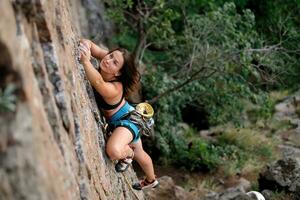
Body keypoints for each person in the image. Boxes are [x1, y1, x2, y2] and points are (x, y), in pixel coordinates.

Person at [78, 39, 159, 190]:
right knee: (140, 152)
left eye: (114, 63)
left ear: (119, 72)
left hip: (128, 123)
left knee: (114, 151)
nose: (108, 61)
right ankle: (151, 180)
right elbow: (89, 43)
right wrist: (86, 46)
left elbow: (99, 84)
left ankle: (128, 153)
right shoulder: (108, 60)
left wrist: (85, 61)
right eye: (110, 56)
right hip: (129, 115)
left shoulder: (116, 88)